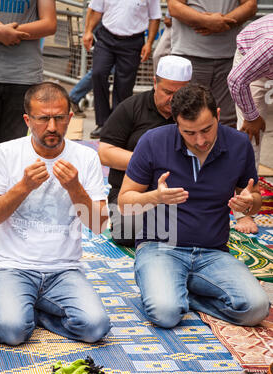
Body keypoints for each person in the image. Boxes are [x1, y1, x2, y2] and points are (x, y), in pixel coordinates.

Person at [118, 84, 269, 329]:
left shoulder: (239, 144)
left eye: (207, 129)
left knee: (256, 309)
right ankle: (168, 293)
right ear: (176, 123)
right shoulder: (154, 141)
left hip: (213, 252)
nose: (200, 140)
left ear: (218, 115)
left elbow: (253, 199)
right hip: (160, 246)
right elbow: (124, 203)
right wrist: (156, 197)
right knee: (166, 314)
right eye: (189, 133)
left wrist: (249, 204)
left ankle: (185, 296)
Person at [0, 82, 111, 346]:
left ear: (70, 118)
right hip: (12, 266)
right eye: (43, 118)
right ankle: (15, 303)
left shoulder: (85, 157)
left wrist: (75, 188)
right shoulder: (5, 153)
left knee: (96, 328)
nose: (52, 127)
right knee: (10, 332)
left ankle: (30, 311)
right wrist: (23, 187)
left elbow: (97, 225)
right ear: (28, 119)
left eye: (59, 118)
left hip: (64, 270)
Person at [0, 0, 57, 229]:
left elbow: (49, 23)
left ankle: (6, 210)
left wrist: (7, 33)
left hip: (23, 76)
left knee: (13, 150)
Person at [99, 55, 192, 246]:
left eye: (180, 93)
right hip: (132, 191)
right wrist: (147, 162)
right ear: (155, 83)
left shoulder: (193, 112)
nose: (172, 99)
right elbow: (105, 152)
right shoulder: (131, 108)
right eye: (167, 91)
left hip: (180, 192)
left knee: (199, 231)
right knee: (127, 232)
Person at [167, 0, 257, 128]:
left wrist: (220, 22)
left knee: (228, 119)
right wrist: (207, 21)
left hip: (229, 56)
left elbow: (250, 6)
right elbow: (174, 7)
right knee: (186, 115)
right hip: (189, 55)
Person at [83, 1, 162, 139]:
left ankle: (115, 125)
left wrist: (149, 43)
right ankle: (102, 122)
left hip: (133, 42)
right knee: (98, 73)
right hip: (106, 37)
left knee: (124, 84)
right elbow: (95, 9)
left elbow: (155, 17)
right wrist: (88, 31)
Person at [228, 14, 273, 234]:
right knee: (250, 138)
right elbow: (236, 80)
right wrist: (251, 115)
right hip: (251, 68)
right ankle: (244, 212)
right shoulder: (269, 45)